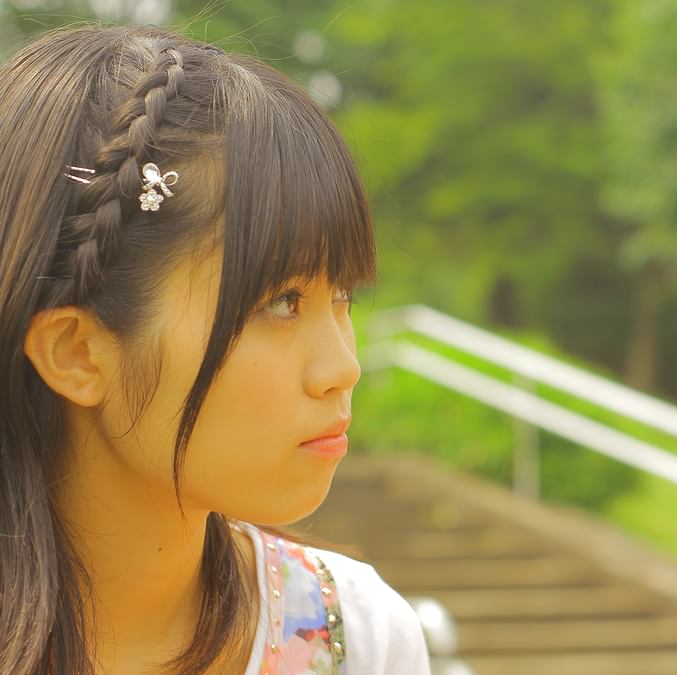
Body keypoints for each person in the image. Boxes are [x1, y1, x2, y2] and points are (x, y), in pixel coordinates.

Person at [0, 25, 431, 675]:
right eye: (281, 302)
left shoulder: (361, 639)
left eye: (343, 295)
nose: (344, 367)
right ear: (76, 352)